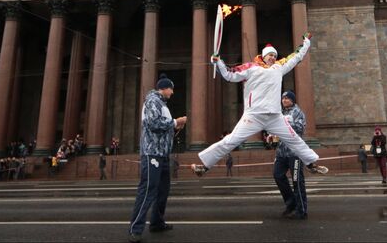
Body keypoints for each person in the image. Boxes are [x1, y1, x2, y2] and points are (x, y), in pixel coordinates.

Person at [190, 34, 328, 177]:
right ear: (263, 56)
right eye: (270, 55)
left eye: (274, 55)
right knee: (230, 141)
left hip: (275, 116)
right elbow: (230, 75)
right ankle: (204, 167)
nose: (273, 58)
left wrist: (306, 43)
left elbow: (296, 57)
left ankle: (311, 164)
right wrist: (218, 62)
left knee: (294, 139)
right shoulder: (251, 68)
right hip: (253, 116)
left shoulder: (279, 68)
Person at [128, 75, 187, 243]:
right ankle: (135, 229)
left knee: (162, 191)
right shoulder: (152, 101)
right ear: (164, 88)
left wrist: (175, 127)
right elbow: (153, 123)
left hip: (162, 154)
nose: (173, 92)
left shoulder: (162, 105)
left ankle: (156, 222)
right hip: (152, 153)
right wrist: (176, 122)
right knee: (147, 190)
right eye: (171, 88)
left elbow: (162, 128)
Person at [273, 91, 309, 220]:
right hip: (281, 153)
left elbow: (300, 128)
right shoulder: (280, 113)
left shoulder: (298, 112)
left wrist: (285, 124)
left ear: (293, 100)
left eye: (287, 98)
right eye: (283, 98)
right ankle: (291, 202)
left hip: (295, 153)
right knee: (277, 175)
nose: (284, 100)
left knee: (297, 181)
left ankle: (301, 209)